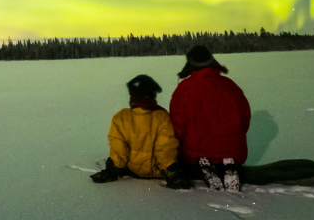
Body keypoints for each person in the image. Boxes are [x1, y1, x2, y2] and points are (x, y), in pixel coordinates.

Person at [170, 45, 251, 192]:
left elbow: (177, 125)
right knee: (225, 150)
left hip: (194, 152)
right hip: (233, 149)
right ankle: (228, 162)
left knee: (191, 155)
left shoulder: (184, 88)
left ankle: (205, 163)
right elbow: (245, 119)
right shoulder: (230, 86)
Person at [91, 74, 190, 189]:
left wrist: (112, 170)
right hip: (158, 172)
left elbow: (119, 150)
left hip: (132, 170)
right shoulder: (162, 117)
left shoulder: (121, 117)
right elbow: (165, 149)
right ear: (153, 94)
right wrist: (172, 175)